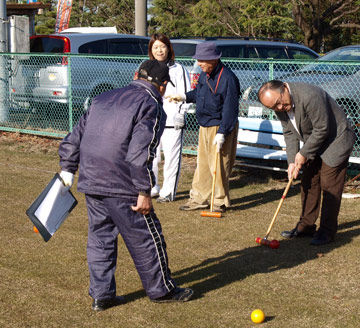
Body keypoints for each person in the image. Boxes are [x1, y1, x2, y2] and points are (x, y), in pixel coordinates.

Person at [58, 59, 194, 312]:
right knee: (146, 238)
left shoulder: (102, 98)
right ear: (163, 86)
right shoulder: (150, 104)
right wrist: (144, 191)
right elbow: (139, 153)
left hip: (92, 181)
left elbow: (74, 138)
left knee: (100, 239)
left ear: (136, 75)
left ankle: (102, 295)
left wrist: (68, 168)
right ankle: (161, 290)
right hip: (123, 184)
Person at [257, 80, 356, 246]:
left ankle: (327, 231)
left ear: (284, 88)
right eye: (274, 107)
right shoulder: (279, 105)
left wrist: (302, 154)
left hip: (336, 140)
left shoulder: (309, 95)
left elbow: (322, 128)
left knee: (329, 185)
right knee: (308, 181)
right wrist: (291, 162)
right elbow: (289, 132)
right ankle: (306, 226)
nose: (279, 108)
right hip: (314, 142)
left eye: (279, 102)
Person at [166, 42, 240, 213]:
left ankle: (219, 202)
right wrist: (183, 96)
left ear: (213, 60)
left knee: (219, 165)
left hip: (220, 127)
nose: (198, 63)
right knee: (203, 164)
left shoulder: (228, 78)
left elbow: (230, 108)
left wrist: (222, 132)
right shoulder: (204, 75)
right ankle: (199, 198)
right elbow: (198, 93)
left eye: (202, 60)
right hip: (204, 125)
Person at [148, 33, 191, 203]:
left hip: (173, 121)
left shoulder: (178, 69)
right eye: (155, 47)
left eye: (162, 46)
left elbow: (186, 94)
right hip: (151, 120)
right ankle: (151, 187)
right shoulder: (147, 67)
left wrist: (181, 113)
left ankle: (168, 192)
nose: (159, 50)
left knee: (172, 157)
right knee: (151, 156)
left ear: (168, 48)